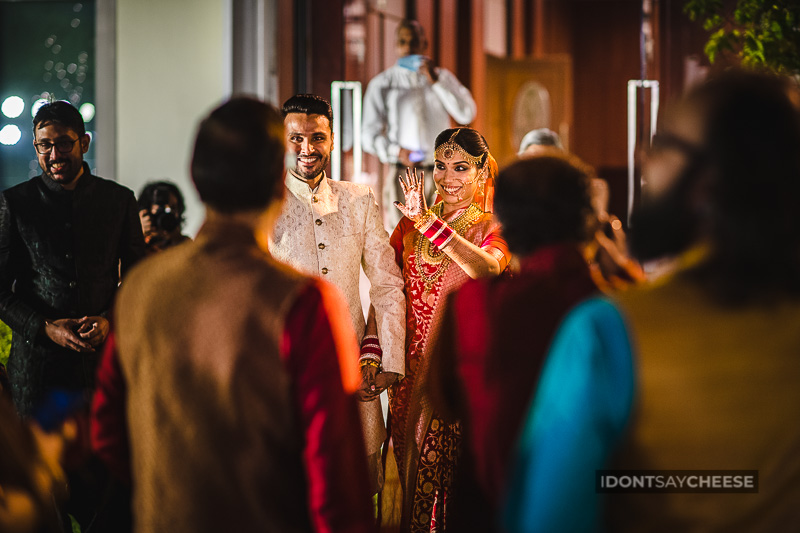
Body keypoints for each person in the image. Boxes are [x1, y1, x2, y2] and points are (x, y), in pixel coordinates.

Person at [504, 70, 800, 532]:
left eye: (663, 145)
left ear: (711, 180)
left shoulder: (609, 333)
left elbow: (550, 517)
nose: (644, 158)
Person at [90, 97, 375, 533]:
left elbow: (108, 433)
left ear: (197, 183)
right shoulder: (301, 304)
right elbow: (335, 473)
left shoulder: (140, 290)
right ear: (280, 186)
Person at [428, 154, 600, 532]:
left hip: (490, 501)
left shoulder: (474, 303)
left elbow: (443, 398)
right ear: (586, 219)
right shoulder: (609, 303)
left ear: (502, 220)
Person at [270, 94, 406, 495]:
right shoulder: (265, 204)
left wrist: (390, 360)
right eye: (296, 138)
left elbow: (386, 284)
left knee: (357, 494)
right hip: (286, 373)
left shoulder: (358, 199)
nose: (307, 149)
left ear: (332, 139)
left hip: (355, 374)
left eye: (317, 137)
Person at [389, 127, 509, 531]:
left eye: (460, 167)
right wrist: (375, 352)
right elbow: (389, 291)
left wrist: (428, 223)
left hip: (459, 376)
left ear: (481, 172)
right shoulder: (408, 226)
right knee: (407, 485)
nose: (447, 177)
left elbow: (489, 268)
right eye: (440, 166)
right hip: (408, 374)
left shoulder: (492, 225)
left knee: (453, 493)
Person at [0, 100, 145, 419]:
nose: (53, 155)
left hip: (102, 365)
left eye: (63, 143)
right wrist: (44, 328)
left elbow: (138, 279)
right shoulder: (15, 203)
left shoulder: (119, 200)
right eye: (44, 145)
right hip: (36, 371)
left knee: (103, 460)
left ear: (84, 142)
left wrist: (110, 319)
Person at [362, 19, 477, 230]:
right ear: (396, 46)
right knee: (401, 237)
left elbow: (467, 113)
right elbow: (368, 135)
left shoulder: (442, 78)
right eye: (402, 42)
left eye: (414, 41)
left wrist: (436, 82)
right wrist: (396, 151)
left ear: (424, 44)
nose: (408, 47)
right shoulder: (383, 83)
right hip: (403, 172)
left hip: (441, 173)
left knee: (444, 235)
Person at [137, 180, 191, 254]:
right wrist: (138, 235)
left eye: (173, 208)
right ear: (147, 211)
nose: (168, 213)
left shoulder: (185, 244)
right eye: (161, 208)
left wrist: (177, 238)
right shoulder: (139, 243)